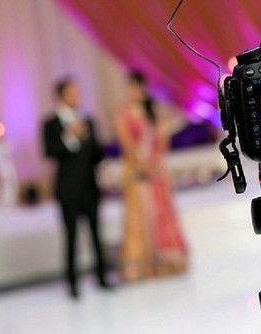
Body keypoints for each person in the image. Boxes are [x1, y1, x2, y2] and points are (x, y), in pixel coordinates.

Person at [113, 71, 187, 281]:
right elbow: (126, 142)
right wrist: (141, 164)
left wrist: (153, 163)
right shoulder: (123, 114)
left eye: (137, 87)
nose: (134, 92)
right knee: (138, 217)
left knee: (161, 213)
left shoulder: (154, 113)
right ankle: (142, 266)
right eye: (130, 88)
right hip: (136, 172)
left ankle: (166, 262)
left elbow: (162, 142)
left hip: (156, 172)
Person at [42, 77, 109, 298]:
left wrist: (93, 146)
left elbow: (97, 153)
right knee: (70, 237)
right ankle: (72, 284)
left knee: (96, 235)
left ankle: (102, 277)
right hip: (68, 190)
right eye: (72, 92)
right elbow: (50, 153)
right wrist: (70, 136)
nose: (77, 95)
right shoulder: (51, 124)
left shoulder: (87, 120)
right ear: (61, 95)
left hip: (90, 186)